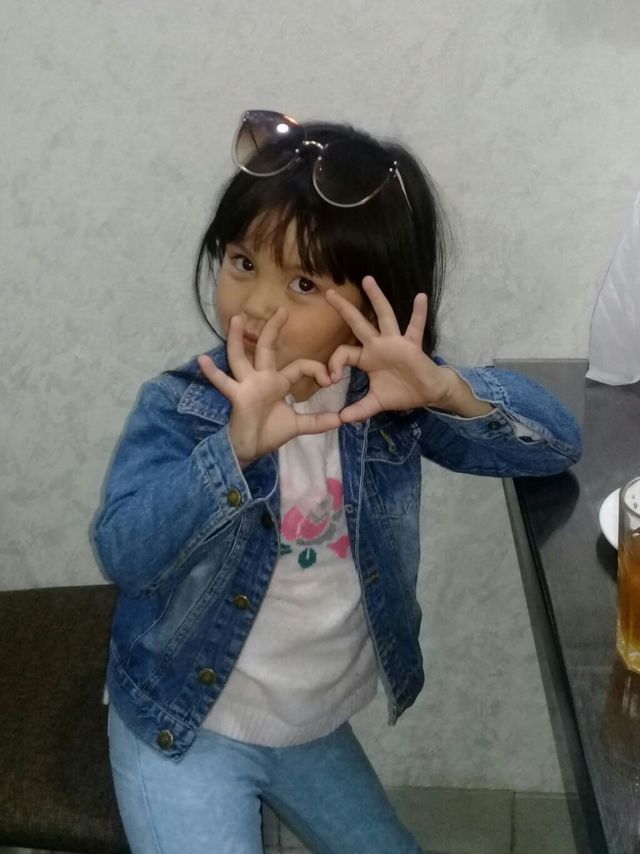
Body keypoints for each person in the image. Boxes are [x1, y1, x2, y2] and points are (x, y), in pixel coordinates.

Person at [91, 110, 582, 854]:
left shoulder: (384, 405)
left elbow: (556, 444)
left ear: (372, 299)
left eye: (302, 281)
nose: (257, 304)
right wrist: (230, 452)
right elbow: (124, 552)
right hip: (182, 721)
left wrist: (446, 389)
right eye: (242, 262)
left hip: (306, 728)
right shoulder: (184, 406)